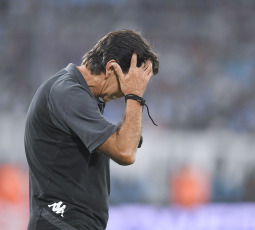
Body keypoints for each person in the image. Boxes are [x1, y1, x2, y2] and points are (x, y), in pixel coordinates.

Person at [24, 30, 159, 230]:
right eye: (125, 86)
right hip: (59, 221)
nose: (123, 94)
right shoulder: (67, 93)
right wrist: (135, 96)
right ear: (112, 68)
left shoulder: (81, 96)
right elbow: (125, 152)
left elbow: (125, 142)